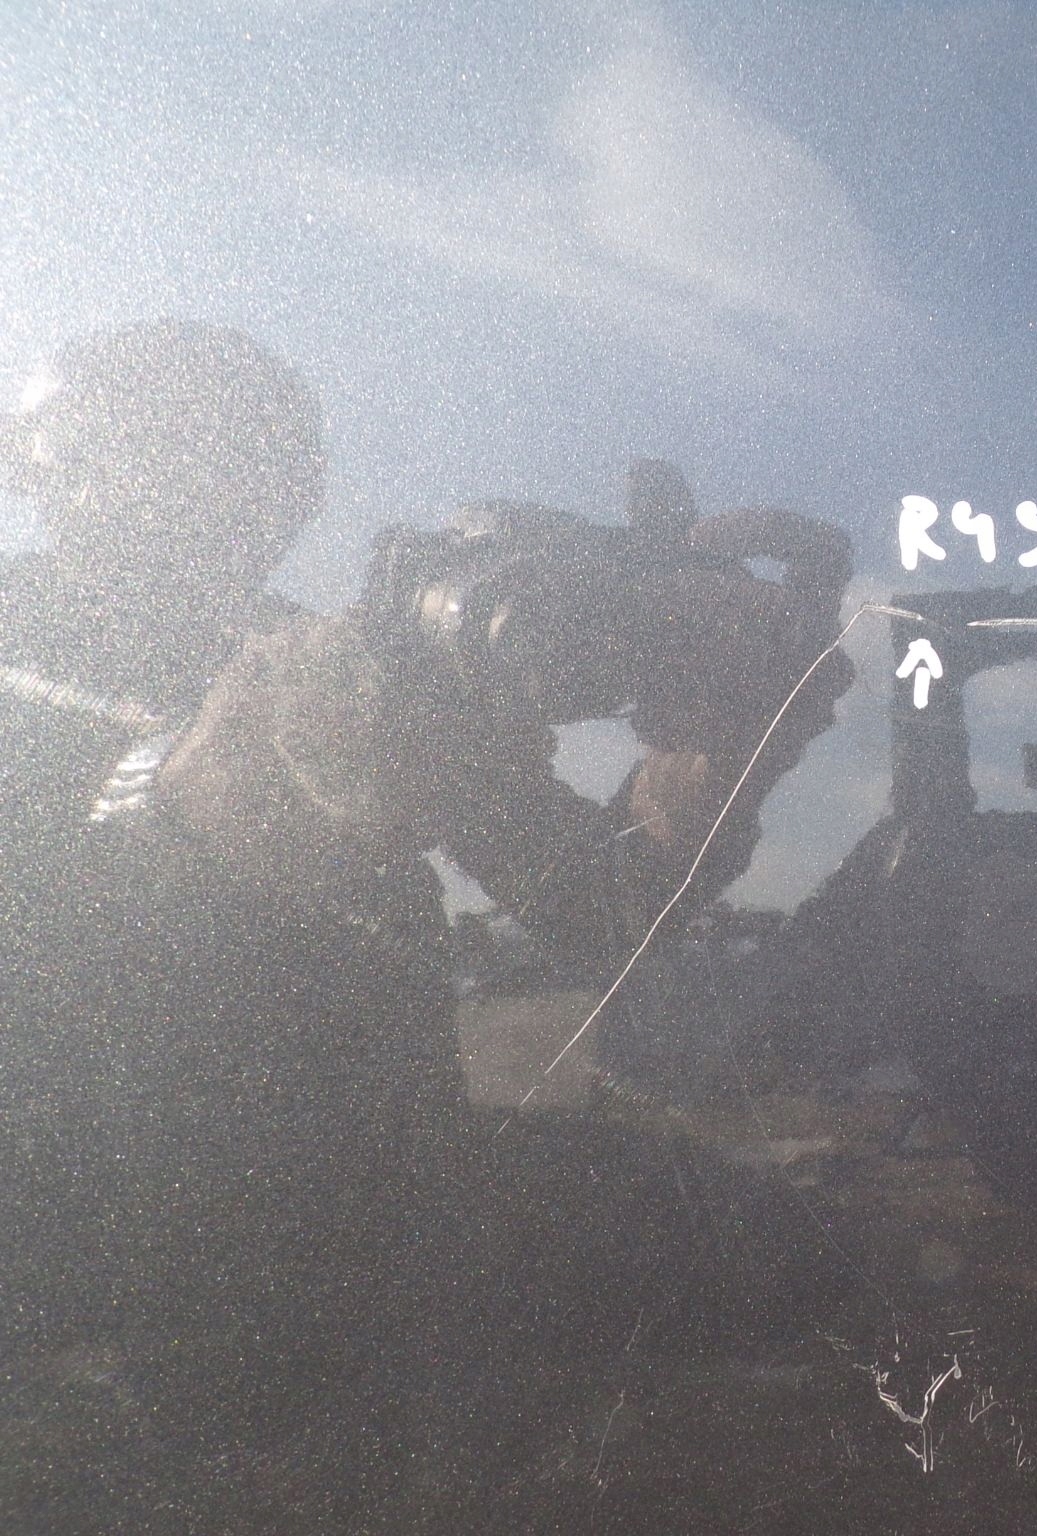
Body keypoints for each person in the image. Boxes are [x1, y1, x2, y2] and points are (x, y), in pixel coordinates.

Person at [0, 319, 855, 1528]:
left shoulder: (342, 660)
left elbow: (601, 899)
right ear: (46, 464)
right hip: (74, 1223)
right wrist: (169, 806)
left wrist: (718, 762)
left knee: (782, 1249)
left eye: (266, 457)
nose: (227, 490)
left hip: (371, 1189)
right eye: (161, 445)